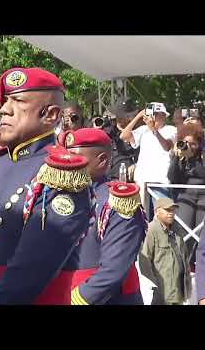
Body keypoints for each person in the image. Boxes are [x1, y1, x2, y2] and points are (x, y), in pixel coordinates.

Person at [0, 67, 92, 305]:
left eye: (18, 101)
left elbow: (30, 271)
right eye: (6, 100)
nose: (3, 109)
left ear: (50, 115)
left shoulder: (59, 176)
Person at [59, 128, 146, 304]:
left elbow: (113, 270)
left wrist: (74, 299)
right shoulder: (59, 195)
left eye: (74, 156)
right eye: (65, 155)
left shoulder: (117, 202)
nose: (65, 162)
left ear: (102, 161)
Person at [167, 123, 205, 268]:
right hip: (186, 195)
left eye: (193, 144)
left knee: (202, 233)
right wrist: (176, 158)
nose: (189, 146)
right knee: (183, 231)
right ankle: (183, 265)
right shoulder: (180, 156)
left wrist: (192, 159)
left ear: (199, 143)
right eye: (186, 143)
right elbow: (172, 178)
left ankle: (202, 265)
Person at [120, 102, 177, 206]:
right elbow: (124, 136)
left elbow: (166, 146)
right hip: (142, 180)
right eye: (151, 114)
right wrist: (138, 116)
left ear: (163, 115)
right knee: (144, 217)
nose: (152, 117)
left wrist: (154, 130)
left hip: (160, 181)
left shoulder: (171, 130)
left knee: (161, 215)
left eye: (155, 114)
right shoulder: (143, 130)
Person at [139, 197, 191, 305]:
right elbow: (144, 260)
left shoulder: (177, 229)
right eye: (167, 210)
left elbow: (184, 257)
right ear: (157, 211)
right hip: (162, 293)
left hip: (178, 291)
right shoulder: (152, 230)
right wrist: (154, 283)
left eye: (172, 210)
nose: (171, 213)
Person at [104, 97, 140, 182]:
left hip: (130, 181)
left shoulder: (139, 133)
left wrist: (137, 165)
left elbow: (147, 157)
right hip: (109, 180)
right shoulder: (108, 132)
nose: (120, 117)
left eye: (124, 115)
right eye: (118, 114)